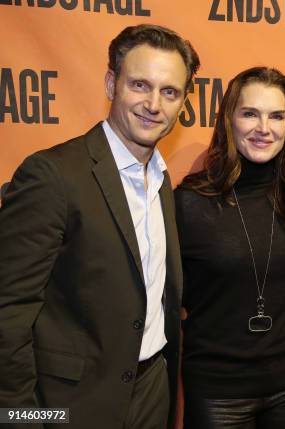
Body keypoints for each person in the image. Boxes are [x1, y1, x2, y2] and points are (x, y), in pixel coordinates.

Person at [0, 24, 200, 429]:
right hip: (69, 404)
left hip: (150, 393)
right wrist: (21, 417)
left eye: (170, 92)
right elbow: (8, 310)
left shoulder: (161, 180)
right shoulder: (52, 175)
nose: (153, 104)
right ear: (111, 83)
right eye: (140, 85)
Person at [175, 67, 285, 428]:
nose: (264, 128)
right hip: (218, 392)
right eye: (250, 113)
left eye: (276, 116)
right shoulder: (190, 202)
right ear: (229, 119)